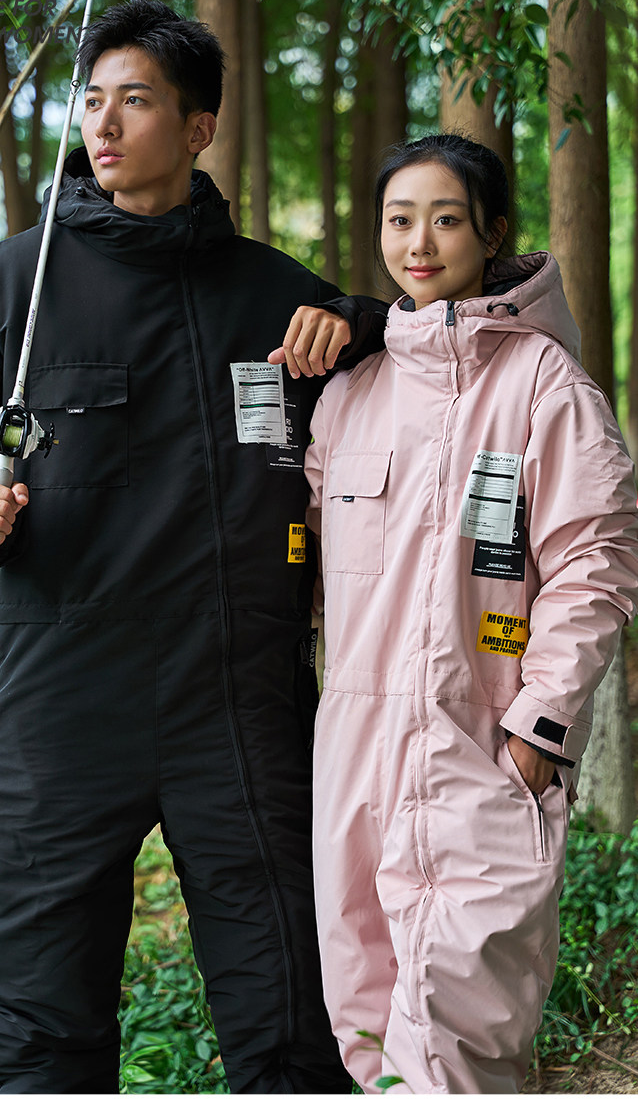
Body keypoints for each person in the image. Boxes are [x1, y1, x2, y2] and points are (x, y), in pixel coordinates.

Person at [0, 0, 387, 1094]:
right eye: (93, 99)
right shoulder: (10, 285)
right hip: (53, 703)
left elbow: (438, 366)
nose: (104, 124)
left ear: (198, 126)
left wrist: (361, 318)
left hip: (238, 703)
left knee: (293, 1022)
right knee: (44, 1036)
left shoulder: (275, 295)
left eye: (137, 101)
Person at [304, 133, 638, 1095]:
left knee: (465, 1036)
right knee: (367, 1023)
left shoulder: (543, 383)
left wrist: (539, 728)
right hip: (357, 755)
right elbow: (309, 564)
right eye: (399, 220)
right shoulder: (350, 394)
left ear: (492, 234)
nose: (419, 242)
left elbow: (595, 561)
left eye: (445, 219)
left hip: (486, 748)